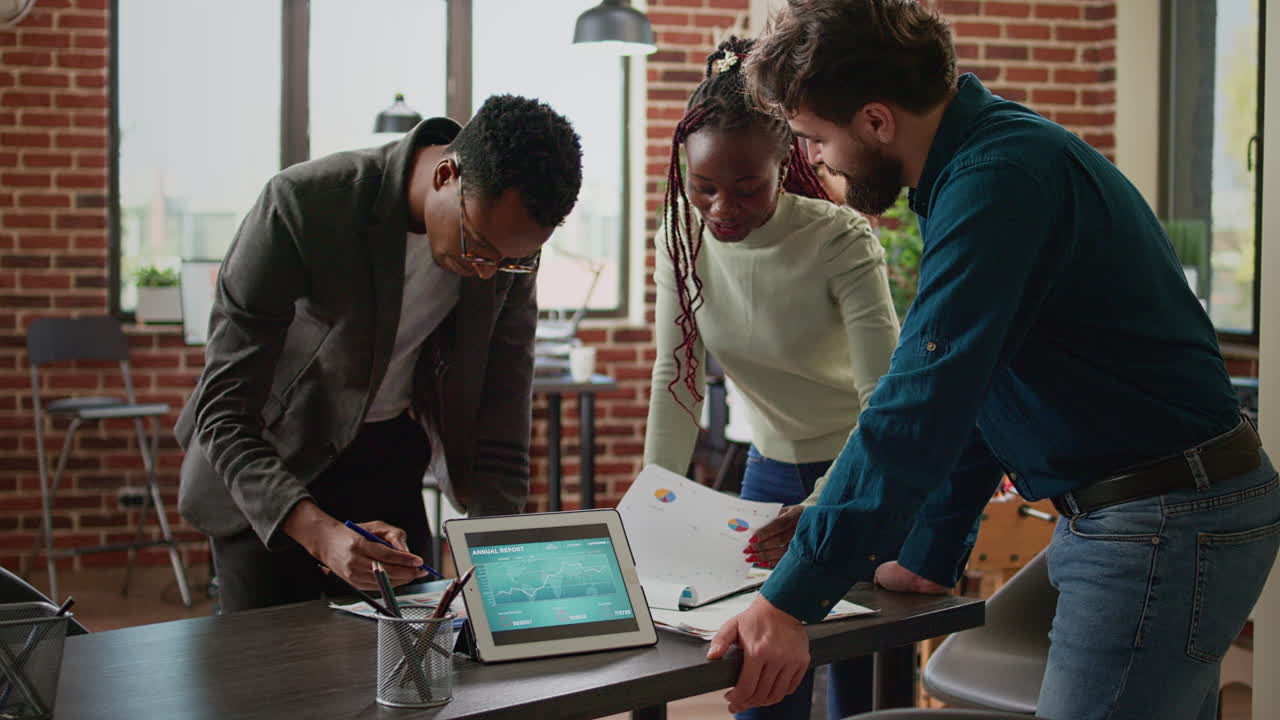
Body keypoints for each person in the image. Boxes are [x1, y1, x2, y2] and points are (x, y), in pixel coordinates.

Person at [708, 2, 1280, 719]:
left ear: (877, 121)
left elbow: (918, 404)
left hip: (1161, 517)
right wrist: (932, 549)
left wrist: (789, 598)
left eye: (815, 139)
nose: (815, 160)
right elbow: (981, 386)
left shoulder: (999, 179)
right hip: (1145, 512)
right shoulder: (977, 165)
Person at [175, 95, 584, 613]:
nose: (488, 271)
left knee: (412, 668)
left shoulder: (505, 247)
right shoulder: (304, 204)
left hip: (388, 458)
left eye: (508, 261)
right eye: (478, 247)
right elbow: (223, 409)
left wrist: (492, 549)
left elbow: (503, 406)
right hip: (268, 466)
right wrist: (319, 533)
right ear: (446, 174)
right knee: (269, 678)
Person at [644, 37, 900, 719]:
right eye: (703, 188)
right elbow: (679, 373)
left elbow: (886, 402)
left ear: (785, 161)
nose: (722, 208)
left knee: (859, 687)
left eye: (747, 187)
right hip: (768, 471)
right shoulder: (682, 236)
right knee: (760, 679)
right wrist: (652, 500)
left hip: (858, 474)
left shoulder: (842, 240)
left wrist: (826, 504)